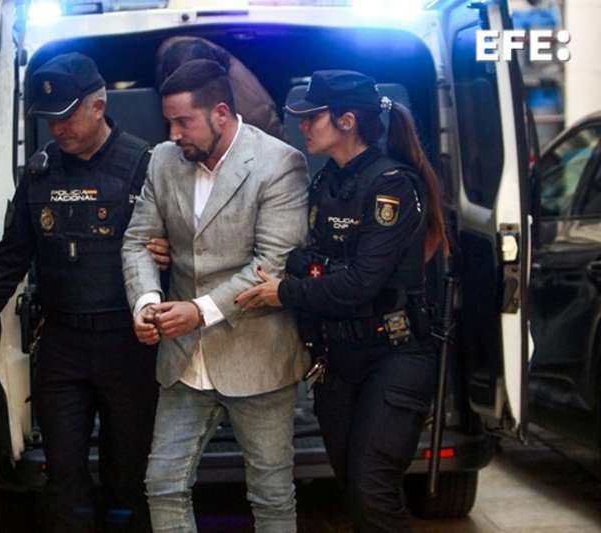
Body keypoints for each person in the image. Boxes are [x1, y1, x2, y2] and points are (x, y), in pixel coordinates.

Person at [0, 52, 168, 532]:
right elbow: (10, 258)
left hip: (127, 347)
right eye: (49, 118)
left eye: (66, 115)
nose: (57, 128)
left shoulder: (144, 165)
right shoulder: (40, 172)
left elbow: (189, 242)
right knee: (63, 479)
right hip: (62, 346)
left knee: (128, 477)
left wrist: (172, 253)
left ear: (99, 105)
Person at [235, 70, 449, 532]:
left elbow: (361, 283)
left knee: (373, 490)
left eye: (312, 117)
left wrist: (287, 290)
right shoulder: (326, 183)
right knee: (354, 489)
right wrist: (313, 272)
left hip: (393, 354)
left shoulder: (391, 185)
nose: (302, 126)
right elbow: (306, 259)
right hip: (338, 358)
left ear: (347, 121)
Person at [121, 59, 309, 533]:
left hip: (259, 356)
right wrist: (146, 303)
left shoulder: (279, 163)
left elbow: (272, 264)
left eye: (183, 121)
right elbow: (137, 241)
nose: (173, 133)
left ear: (221, 113)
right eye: (168, 121)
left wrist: (199, 312)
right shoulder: (163, 160)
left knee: (271, 494)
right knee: (163, 485)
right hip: (183, 359)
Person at [155, 36, 284, 140]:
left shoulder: (256, 114)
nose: (173, 136)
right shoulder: (170, 49)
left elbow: (280, 152)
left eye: (184, 121)